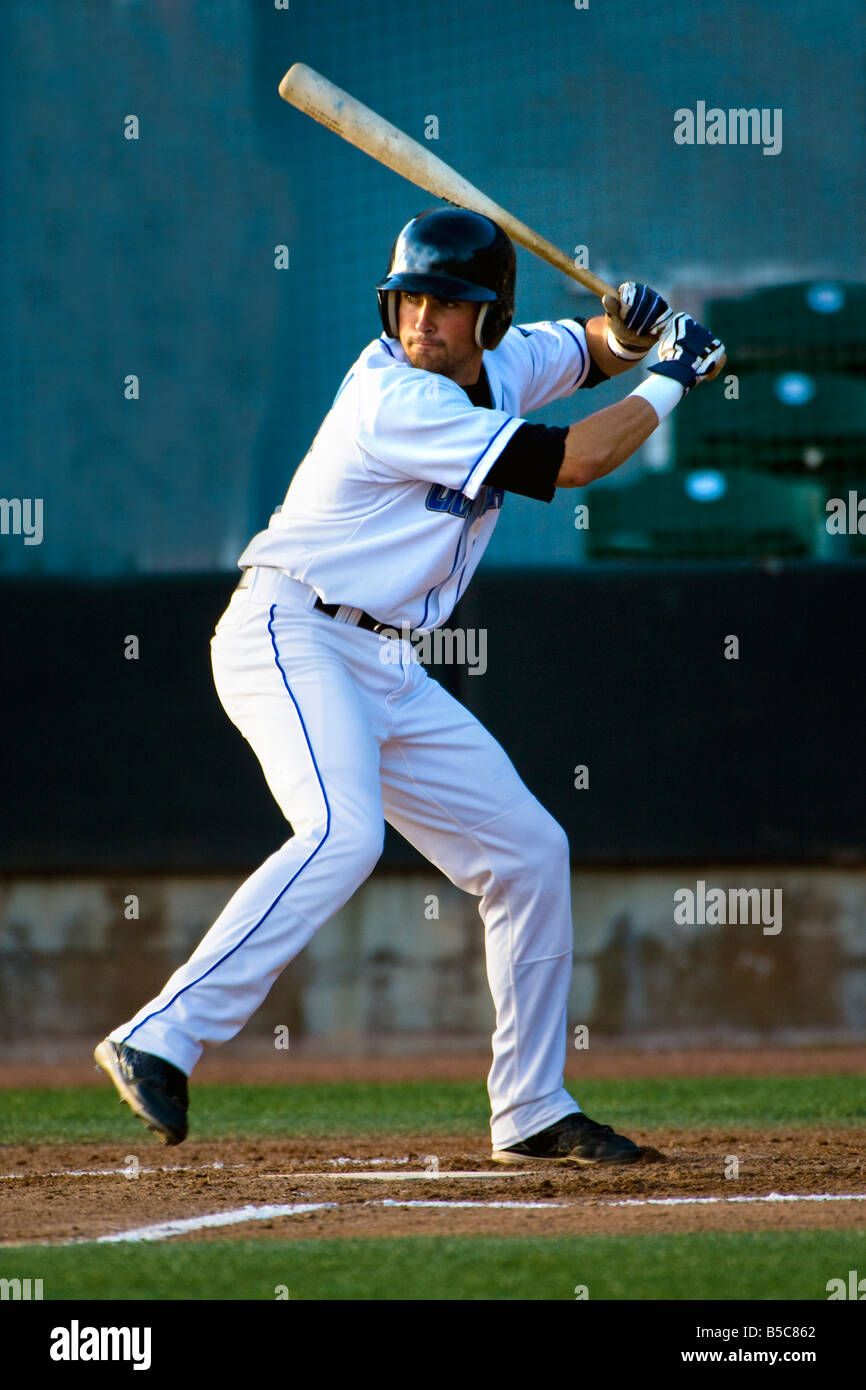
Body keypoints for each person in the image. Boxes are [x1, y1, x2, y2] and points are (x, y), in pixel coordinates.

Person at [95, 208, 724, 1164]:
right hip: (291, 631)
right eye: (412, 299)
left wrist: (632, 332)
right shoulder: (395, 399)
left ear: (490, 320)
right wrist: (675, 375)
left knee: (527, 851)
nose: (423, 319)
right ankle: (160, 1034)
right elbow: (577, 460)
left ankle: (532, 1107)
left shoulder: (503, 363)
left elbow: (591, 350)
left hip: (386, 662)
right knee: (343, 834)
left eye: (448, 304)